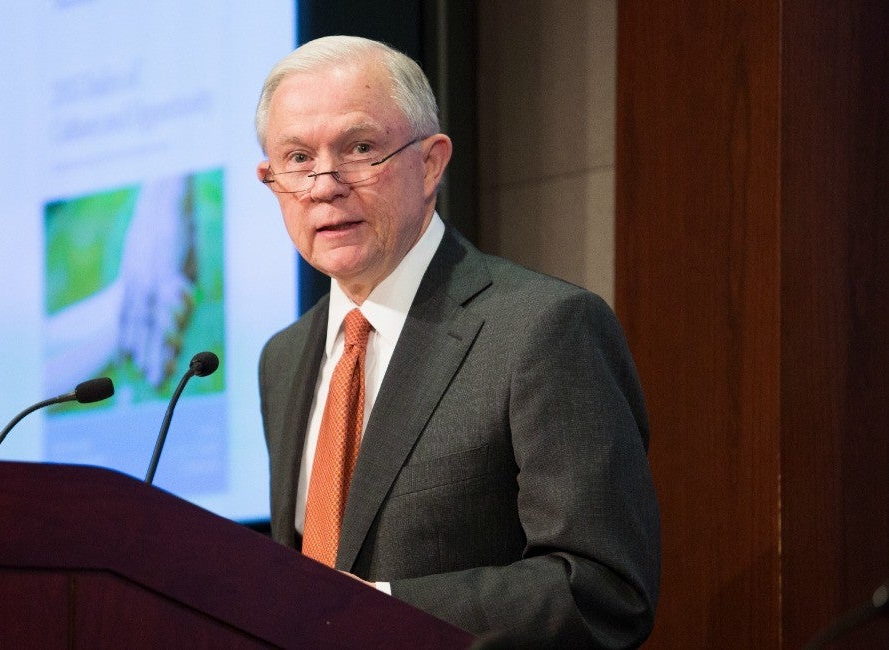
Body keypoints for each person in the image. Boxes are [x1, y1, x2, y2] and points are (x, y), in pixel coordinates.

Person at [255, 35, 660, 648]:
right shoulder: (282, 358)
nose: (324, 184)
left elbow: (605, 591)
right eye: (298, 158)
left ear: (431, 164)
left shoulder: (542, 328)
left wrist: (378, 613)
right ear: (270, 180)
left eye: (360, 148)